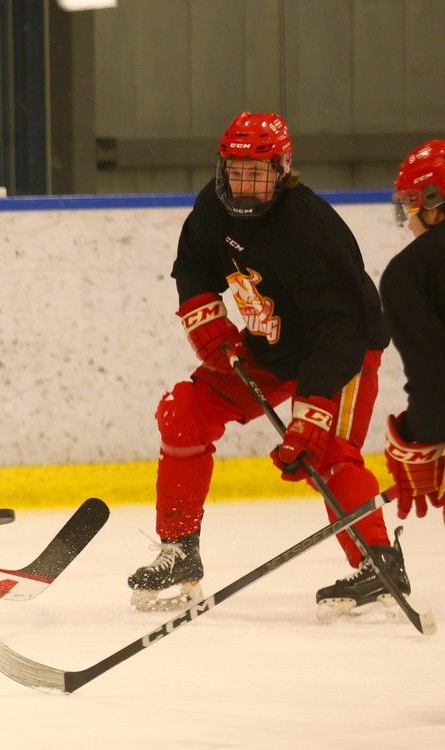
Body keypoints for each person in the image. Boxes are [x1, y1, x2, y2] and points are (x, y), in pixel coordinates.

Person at [127, 112, 407, 621]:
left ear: (282, 170)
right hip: (271, 345)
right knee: (182, 412)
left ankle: (377, 562)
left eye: (258, 172)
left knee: (331, 454)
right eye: (237, 169)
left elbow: (339, 328)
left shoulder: (310, 229)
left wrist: (314, 410)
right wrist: (201, 311)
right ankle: (179, 550)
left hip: (341, 349)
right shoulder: (214, 205)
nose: (246, 183)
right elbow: (192, 261)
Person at [379, 140, 445, 525]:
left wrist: (415, 435)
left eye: (411, 202)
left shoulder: (411, 271)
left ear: (433, 201)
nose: (408, 216)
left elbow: (436, 379)